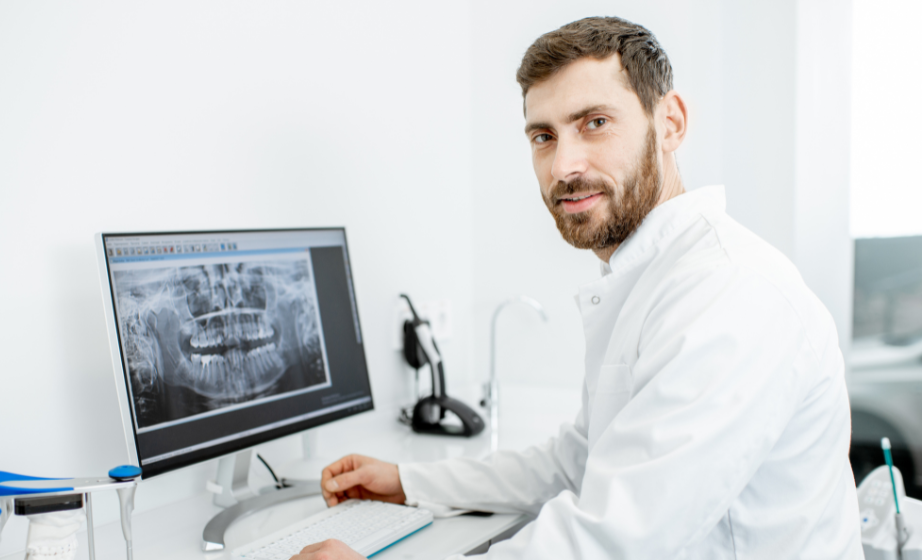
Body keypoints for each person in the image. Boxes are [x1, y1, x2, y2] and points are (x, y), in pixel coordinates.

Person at [293, 16, 862, 559]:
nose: (564, 164)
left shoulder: (728, 292)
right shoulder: (649, 277)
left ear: (671, 123)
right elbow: (578, 461)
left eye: (595, 122)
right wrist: (407, 480)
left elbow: (617, 541)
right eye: (544, 136)